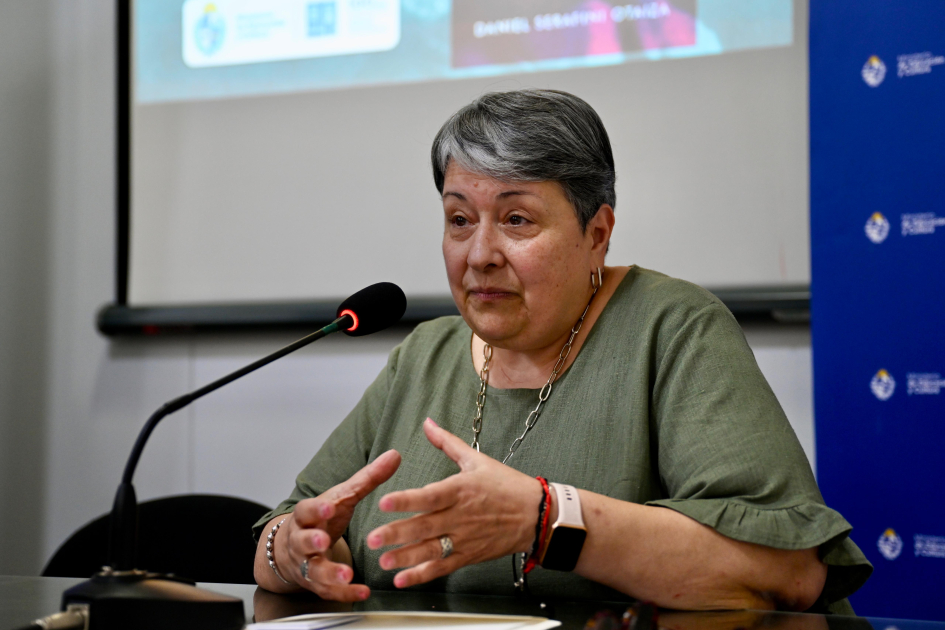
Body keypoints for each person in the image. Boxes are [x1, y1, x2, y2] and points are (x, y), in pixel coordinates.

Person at [252, 90, 871, 612]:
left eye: (516, 220)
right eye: (459, 219)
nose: (479, 253)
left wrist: (548, 519)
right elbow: (283, 528)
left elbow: (789, 571)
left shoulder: (673, 329)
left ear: (596, 234)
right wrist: (297, 553)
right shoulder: (425, 353)